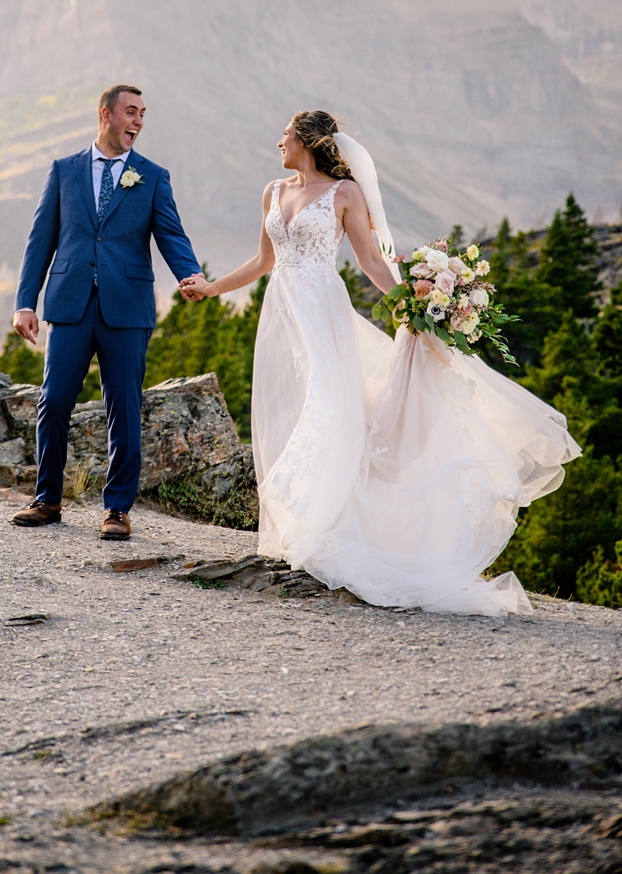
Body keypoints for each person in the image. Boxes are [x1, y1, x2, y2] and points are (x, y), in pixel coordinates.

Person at [180, 110, 581, 615]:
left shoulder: (345, 195)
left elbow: (371, 261)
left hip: (324, 311)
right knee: (291, 409)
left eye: (285, 133)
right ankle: (303, 525)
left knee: (329, 407)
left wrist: (412, 308)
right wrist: (212, 286)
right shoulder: (272, 191)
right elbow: (264, 262)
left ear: (306, 140)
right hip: (281, 315)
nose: (278, 141)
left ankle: (323, 529)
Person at [10, 84, 201, 540]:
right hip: (70, 304)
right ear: (106, 114)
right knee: (54, 401)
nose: (137, 121)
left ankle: (117, 509)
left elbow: (171, 234)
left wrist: (189, 275)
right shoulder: (63, 171)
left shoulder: (152, 176)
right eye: (130, 112)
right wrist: (25, 302)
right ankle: (48, 499)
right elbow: (41, 241)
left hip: (128, 307)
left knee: (125, 406)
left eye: (142, 114)